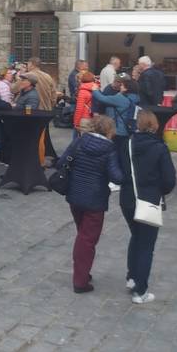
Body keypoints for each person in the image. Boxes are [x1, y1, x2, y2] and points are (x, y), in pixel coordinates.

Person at [110, 109, 176, 304]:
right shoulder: (160, 148)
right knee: (146, 245)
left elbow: (120, 169)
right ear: (154, 126)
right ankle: (141, 290)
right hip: (149, 199)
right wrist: (159, 190)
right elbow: (169, 179)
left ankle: (132, 277)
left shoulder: (127, 144)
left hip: (128, 198)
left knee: (136, 237)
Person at [61, 115, 123, 294]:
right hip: (95, 200)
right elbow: (116, 177)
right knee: (87, 240)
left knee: (82, 235)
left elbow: (62, 161)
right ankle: (80, 280)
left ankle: (83, 271)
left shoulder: (79, 142)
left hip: (75, 195)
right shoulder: (109, 149)